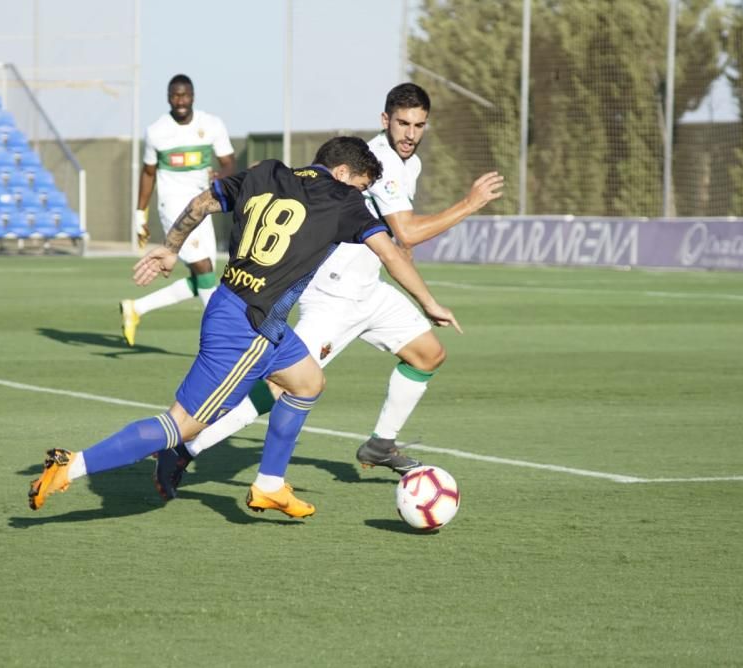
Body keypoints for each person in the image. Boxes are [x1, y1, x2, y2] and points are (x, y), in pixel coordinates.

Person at [28, 136, 460, 518]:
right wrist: (429, 302)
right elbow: (391, 253)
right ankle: (72, 465)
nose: (362, 197)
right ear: (344, 172)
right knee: (181, 426)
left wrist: (170, 249)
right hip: (249, 327)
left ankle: (269, 485)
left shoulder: (267, 171)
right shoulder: (344, 199)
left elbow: (202, 202)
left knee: (307, 382)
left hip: (242, 308)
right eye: (362, 186)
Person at [153, 83, 503, 499]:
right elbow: (406, 230)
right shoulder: (380, 164)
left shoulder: (409, 162)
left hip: (370, 289)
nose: (410, 133)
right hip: (334, 296)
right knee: (282, 386)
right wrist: (468, 204)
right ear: (385, 120)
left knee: (428, 353)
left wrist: (415, 288)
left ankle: (381, 443)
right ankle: (185, 448)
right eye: (403, 123)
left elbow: (397, 240)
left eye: (419, 125)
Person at [120, 74, 236, 346]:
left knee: (204, 278)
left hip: (203, 204)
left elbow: (229, 162)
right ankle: (225, 340)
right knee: (203, 268)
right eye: (175, 95)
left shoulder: (211, 124)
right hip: (173, 206)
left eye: (184, 95)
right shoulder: (157, 131)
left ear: (193, 96)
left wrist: (223, 177)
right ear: (168, 98)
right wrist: (140, 214)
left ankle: (136, 309)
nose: (180, 101)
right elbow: (148, 173)